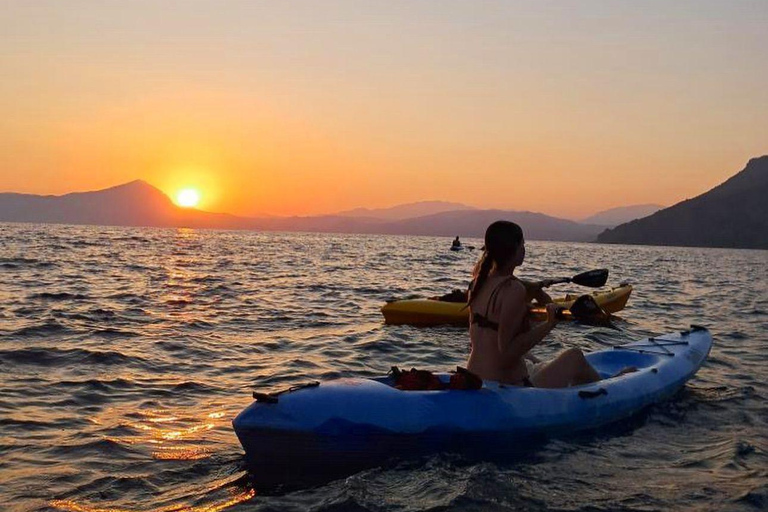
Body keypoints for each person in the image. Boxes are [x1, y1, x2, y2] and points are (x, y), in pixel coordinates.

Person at [466, 220, 631, 388]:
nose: (524, 249)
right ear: (515, 249)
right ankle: (609, 388)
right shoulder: (513, 290)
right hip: (508, 386)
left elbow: (499, 329)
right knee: (574, 357)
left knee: (530, 358)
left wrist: (536, 290)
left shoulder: (477, 283)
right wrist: (549, 324)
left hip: (474, 376)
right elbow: (507, 353)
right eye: (522, 244)